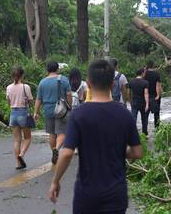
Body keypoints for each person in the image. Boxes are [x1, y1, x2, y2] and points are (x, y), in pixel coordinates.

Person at [48, 59, 143, 213]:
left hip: (87, 194)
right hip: (116, 194)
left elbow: (66, 153)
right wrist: (118, 149)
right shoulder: (124, 114)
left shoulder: (79, 114)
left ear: (89, 83)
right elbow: (137, 152)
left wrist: (55, 182)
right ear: (113, 84)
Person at [34, 61, 72, 165]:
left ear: (47, 70)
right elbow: (68, 94)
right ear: (57, 69)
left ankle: (53, 151)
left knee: (52, 133)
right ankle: (57, 148)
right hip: (62, 110)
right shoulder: (63, 79)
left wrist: (36, 112)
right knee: (63, 131)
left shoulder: (42, 82)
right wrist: (70, 105)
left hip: (48, 109)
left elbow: (38, 99)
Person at [6, 67, 33, 170]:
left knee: (17, 140)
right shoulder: (25, 87)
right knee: (27, 138)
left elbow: (9, 102)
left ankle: (17, 163)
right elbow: (30, 100)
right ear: (22, 75)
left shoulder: (9, 87)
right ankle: (21, 154)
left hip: (13, 114)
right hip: (23, 112)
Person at [128, 69, 149, 136]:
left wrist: (130, 101)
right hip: (143, 103)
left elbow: (128, 92)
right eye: (144, 73)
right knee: (144, 119)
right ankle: (145, 133)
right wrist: (147, 104)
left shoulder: (131, 81)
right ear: (142, 73)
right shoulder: (145, 82)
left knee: (133, 118)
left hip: (134, 102)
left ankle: (132, 134)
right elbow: (146, 93)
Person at [144, 60, 162, 130]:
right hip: (155, 96)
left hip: (146, 96)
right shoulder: (156, 74)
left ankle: (145, 130)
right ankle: (157, 129)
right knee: (156, 113)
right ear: (153, 65)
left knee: (145, 114)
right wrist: (158, 95)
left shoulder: (145, 74)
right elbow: (158, 85)